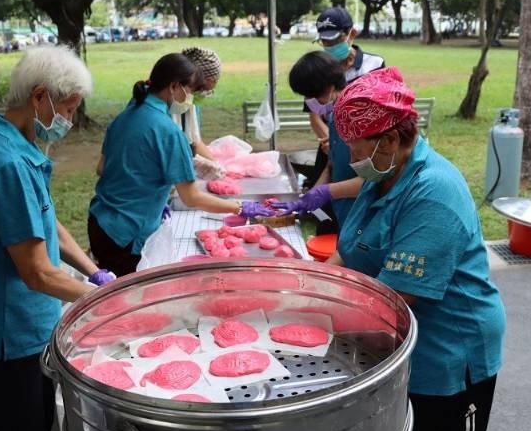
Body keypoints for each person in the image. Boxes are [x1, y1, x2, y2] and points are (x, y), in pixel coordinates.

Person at [328, 67, 506, 431]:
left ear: (388, 141)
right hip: (398, 348)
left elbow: (396, 299)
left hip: (450, 350)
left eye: (355, 149)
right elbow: (349, 247)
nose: (352, 159)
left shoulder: (433, 193)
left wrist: (314, 315)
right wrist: (313, 283)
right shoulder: (388, 174)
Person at [0, 46, 116, 431]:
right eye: (68, 107)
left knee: (38, 426)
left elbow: (46, 223)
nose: (69, 117)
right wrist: (104, 297)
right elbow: (37, 273)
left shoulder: (19, 142)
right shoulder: (6, 164)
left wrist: (94, 270)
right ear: (40, 96)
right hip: (7, 334)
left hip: (28, 325)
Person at [89, 53, 274, 276]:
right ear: (175, 87)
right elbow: (191, 197)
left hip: (100, 223)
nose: (191, 99)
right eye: (191, 92)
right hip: (126, 233)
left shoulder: (126, 115)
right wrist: (241, 207)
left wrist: (147, 180)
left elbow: (102, 168)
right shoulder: (168, 130)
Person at [305, 7, 384, 223]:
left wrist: (325, 191)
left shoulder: (374, 65)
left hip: (366, 152)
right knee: (331, 221)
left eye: (334, 40)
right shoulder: (318, 69)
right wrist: (331, 141)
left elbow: (371, 180)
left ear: (352, 33)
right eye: (324, 42)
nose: (329, 47)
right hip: (334, 149)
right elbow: (314, 114)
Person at [274, 51, 363, 230]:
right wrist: (311, 194)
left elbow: (372, 181)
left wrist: (327, 191)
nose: (308, 102)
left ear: (329, 88)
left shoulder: (359, 118)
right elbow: (332, 165)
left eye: (310, 96)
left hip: (362, 211)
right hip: (343, 210)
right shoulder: (334, 116)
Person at [173, 47, 223, 179]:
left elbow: (194, 141)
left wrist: (216, 165)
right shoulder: (159, 113)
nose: (202, 94)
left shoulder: (187, 102)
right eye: (201, 89)